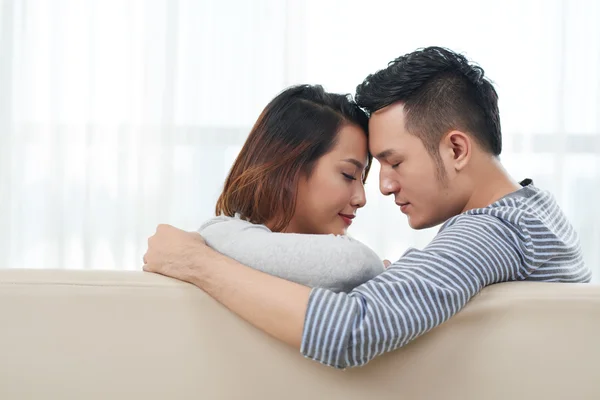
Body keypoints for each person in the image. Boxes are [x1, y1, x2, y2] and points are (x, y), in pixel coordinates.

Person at [143, 47, 592, 369]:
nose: (382, 186)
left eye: (394, 161)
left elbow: (349, 333)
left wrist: (197, 261)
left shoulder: (489, 233)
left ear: (456, 148)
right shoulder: (536, 211)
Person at [198, 84, 385, 292]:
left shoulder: (330, 271)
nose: (361, 198)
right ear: (290, 167)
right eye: (348, 175)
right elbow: (358, 262)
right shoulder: (219, 235)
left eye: (362, 180)